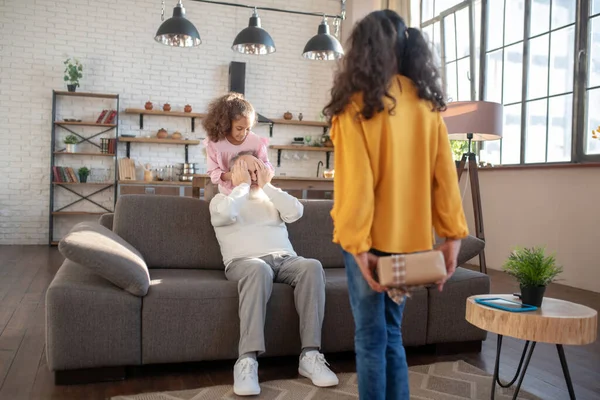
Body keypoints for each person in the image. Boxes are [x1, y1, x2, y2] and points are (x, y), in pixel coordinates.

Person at [324, 10, 468, 400]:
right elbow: (445, 179)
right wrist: (452, 238)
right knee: (392, 334)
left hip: (369, 244)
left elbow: (357, 186)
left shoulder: (355, 106)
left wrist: (357, 247)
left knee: (370, 338)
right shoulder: (427, 107)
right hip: (412, 244)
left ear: (363, 51)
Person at [209, 151, 339, 396]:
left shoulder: (270, 197)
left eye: (256, 169)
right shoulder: (222, 201)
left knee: (312, 266)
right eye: (247, 170)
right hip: (245, 263)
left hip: (285, 259)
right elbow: (226, 215)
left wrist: (267, 185)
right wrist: (241, 186)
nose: (253, 175)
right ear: (235, 173)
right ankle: (247, 361)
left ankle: (310, 356)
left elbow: (296, 212)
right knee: (259, 269)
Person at [203, 93, 274, 195]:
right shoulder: (214, 143)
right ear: (226, 123)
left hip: (252, 193)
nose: (243, 134)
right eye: (239, 128)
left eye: (248, 129)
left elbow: (267, 165)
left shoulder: (256, 142)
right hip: (227, 194)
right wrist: (233, 175)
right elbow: (213, 173)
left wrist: (260, 170)